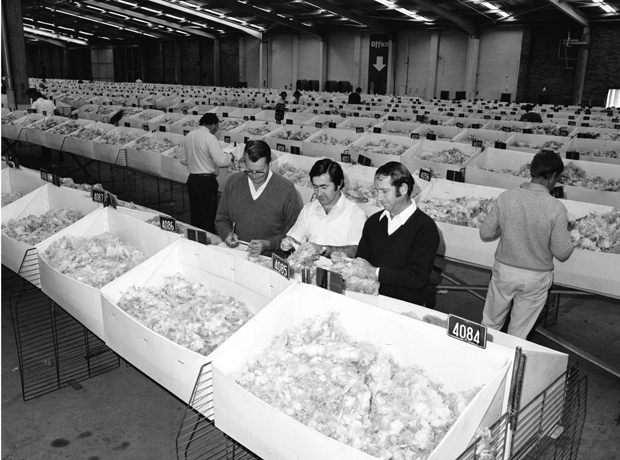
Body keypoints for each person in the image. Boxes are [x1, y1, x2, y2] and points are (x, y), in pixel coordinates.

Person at [479, 150, 574, 339]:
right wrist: (569, 233)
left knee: (490, 323)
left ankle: (484, 360)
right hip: (535, 278)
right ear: (553, 176)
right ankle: (513, 363)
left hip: (504, 271)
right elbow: (562, 252)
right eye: (557, 178)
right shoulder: (556, 208)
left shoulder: (507, 197)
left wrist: (505, 229)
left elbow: (486, 233)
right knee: (518, 333)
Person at [355, 162, 440, 305]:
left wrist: (374, 272)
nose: (378, 198)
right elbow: (362, 260)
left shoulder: (425, 228)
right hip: (370, 299)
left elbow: (417, 277)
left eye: (384, 191)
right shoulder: (374, 222)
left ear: (403, 189)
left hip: (406, 306)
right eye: (377, 191)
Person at [215, 140, 301, 257]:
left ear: (269, 164)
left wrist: (268, 244)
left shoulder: (286, 189)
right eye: (249, 171)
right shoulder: (233, 182)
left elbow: (294, 233)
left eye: (260, 171)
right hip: (237, 253)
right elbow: (221, 219)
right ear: (243, 163)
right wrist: (227, 233)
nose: (254, 176)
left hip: (271, 258)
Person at [281, 159, 367, 257]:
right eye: (315, 187)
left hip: (338, 270)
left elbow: (356, 250)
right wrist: (289, 243)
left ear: (339, 184)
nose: (319, 193)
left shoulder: (355, 214)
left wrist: (323, 249)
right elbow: (296, 238)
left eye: (324, 187)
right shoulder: (308, 209)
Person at [180, 113, 231, 233]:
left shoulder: (189, 136)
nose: (216, 130)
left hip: (192, 180)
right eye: (217, 127)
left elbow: (183, 160)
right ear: (212, 124)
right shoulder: (209, 137)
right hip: (206, 181)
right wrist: (230, 157)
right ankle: (207, 240)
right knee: (208, 213)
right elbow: (221, 161)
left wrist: (197, 161)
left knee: (195, 212)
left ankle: (195, 238)